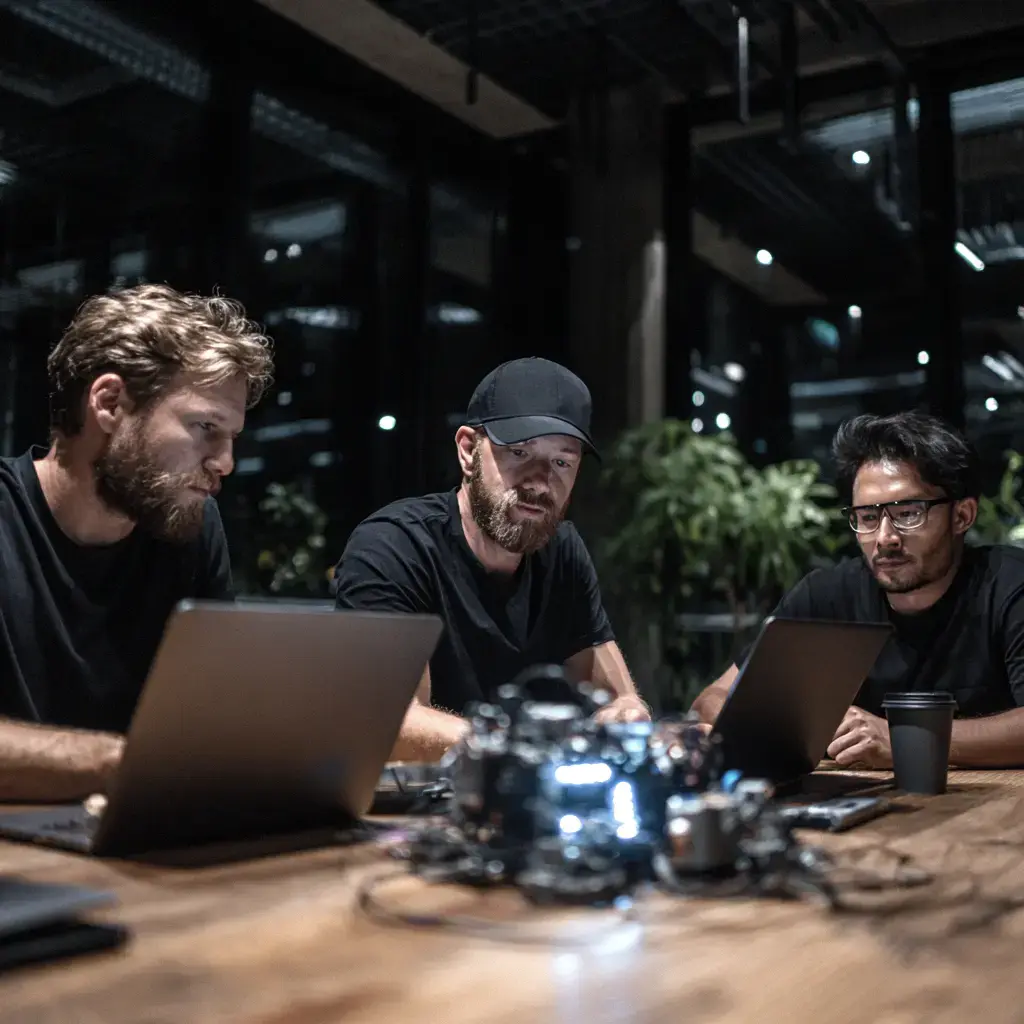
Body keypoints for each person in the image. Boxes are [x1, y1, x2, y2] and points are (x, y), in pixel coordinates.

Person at [0, 283, 274, 801]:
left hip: (137, 841)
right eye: (205, 427)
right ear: (109, 403)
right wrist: (125, 765)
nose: (225, 463)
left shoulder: (191, 527)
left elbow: (213, 716)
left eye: (233, 437)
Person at [333, 356, 649, 761]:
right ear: (468, 450)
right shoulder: (393, 546)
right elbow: (391, 722)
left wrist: (628, 716)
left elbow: (620, 702)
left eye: (561, 462)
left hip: (534, 806)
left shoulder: (564, 551)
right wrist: (527, 748)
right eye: (519, 451)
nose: (540, 481)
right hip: (410, 812)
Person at [691, 410, 1024, 770]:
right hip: (863, 811)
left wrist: (904, 741)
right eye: (867, 517)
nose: (885, 538)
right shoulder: (827, 595)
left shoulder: (1009, 586)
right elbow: (713, 698)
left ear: (962, 516)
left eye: (908, 513)